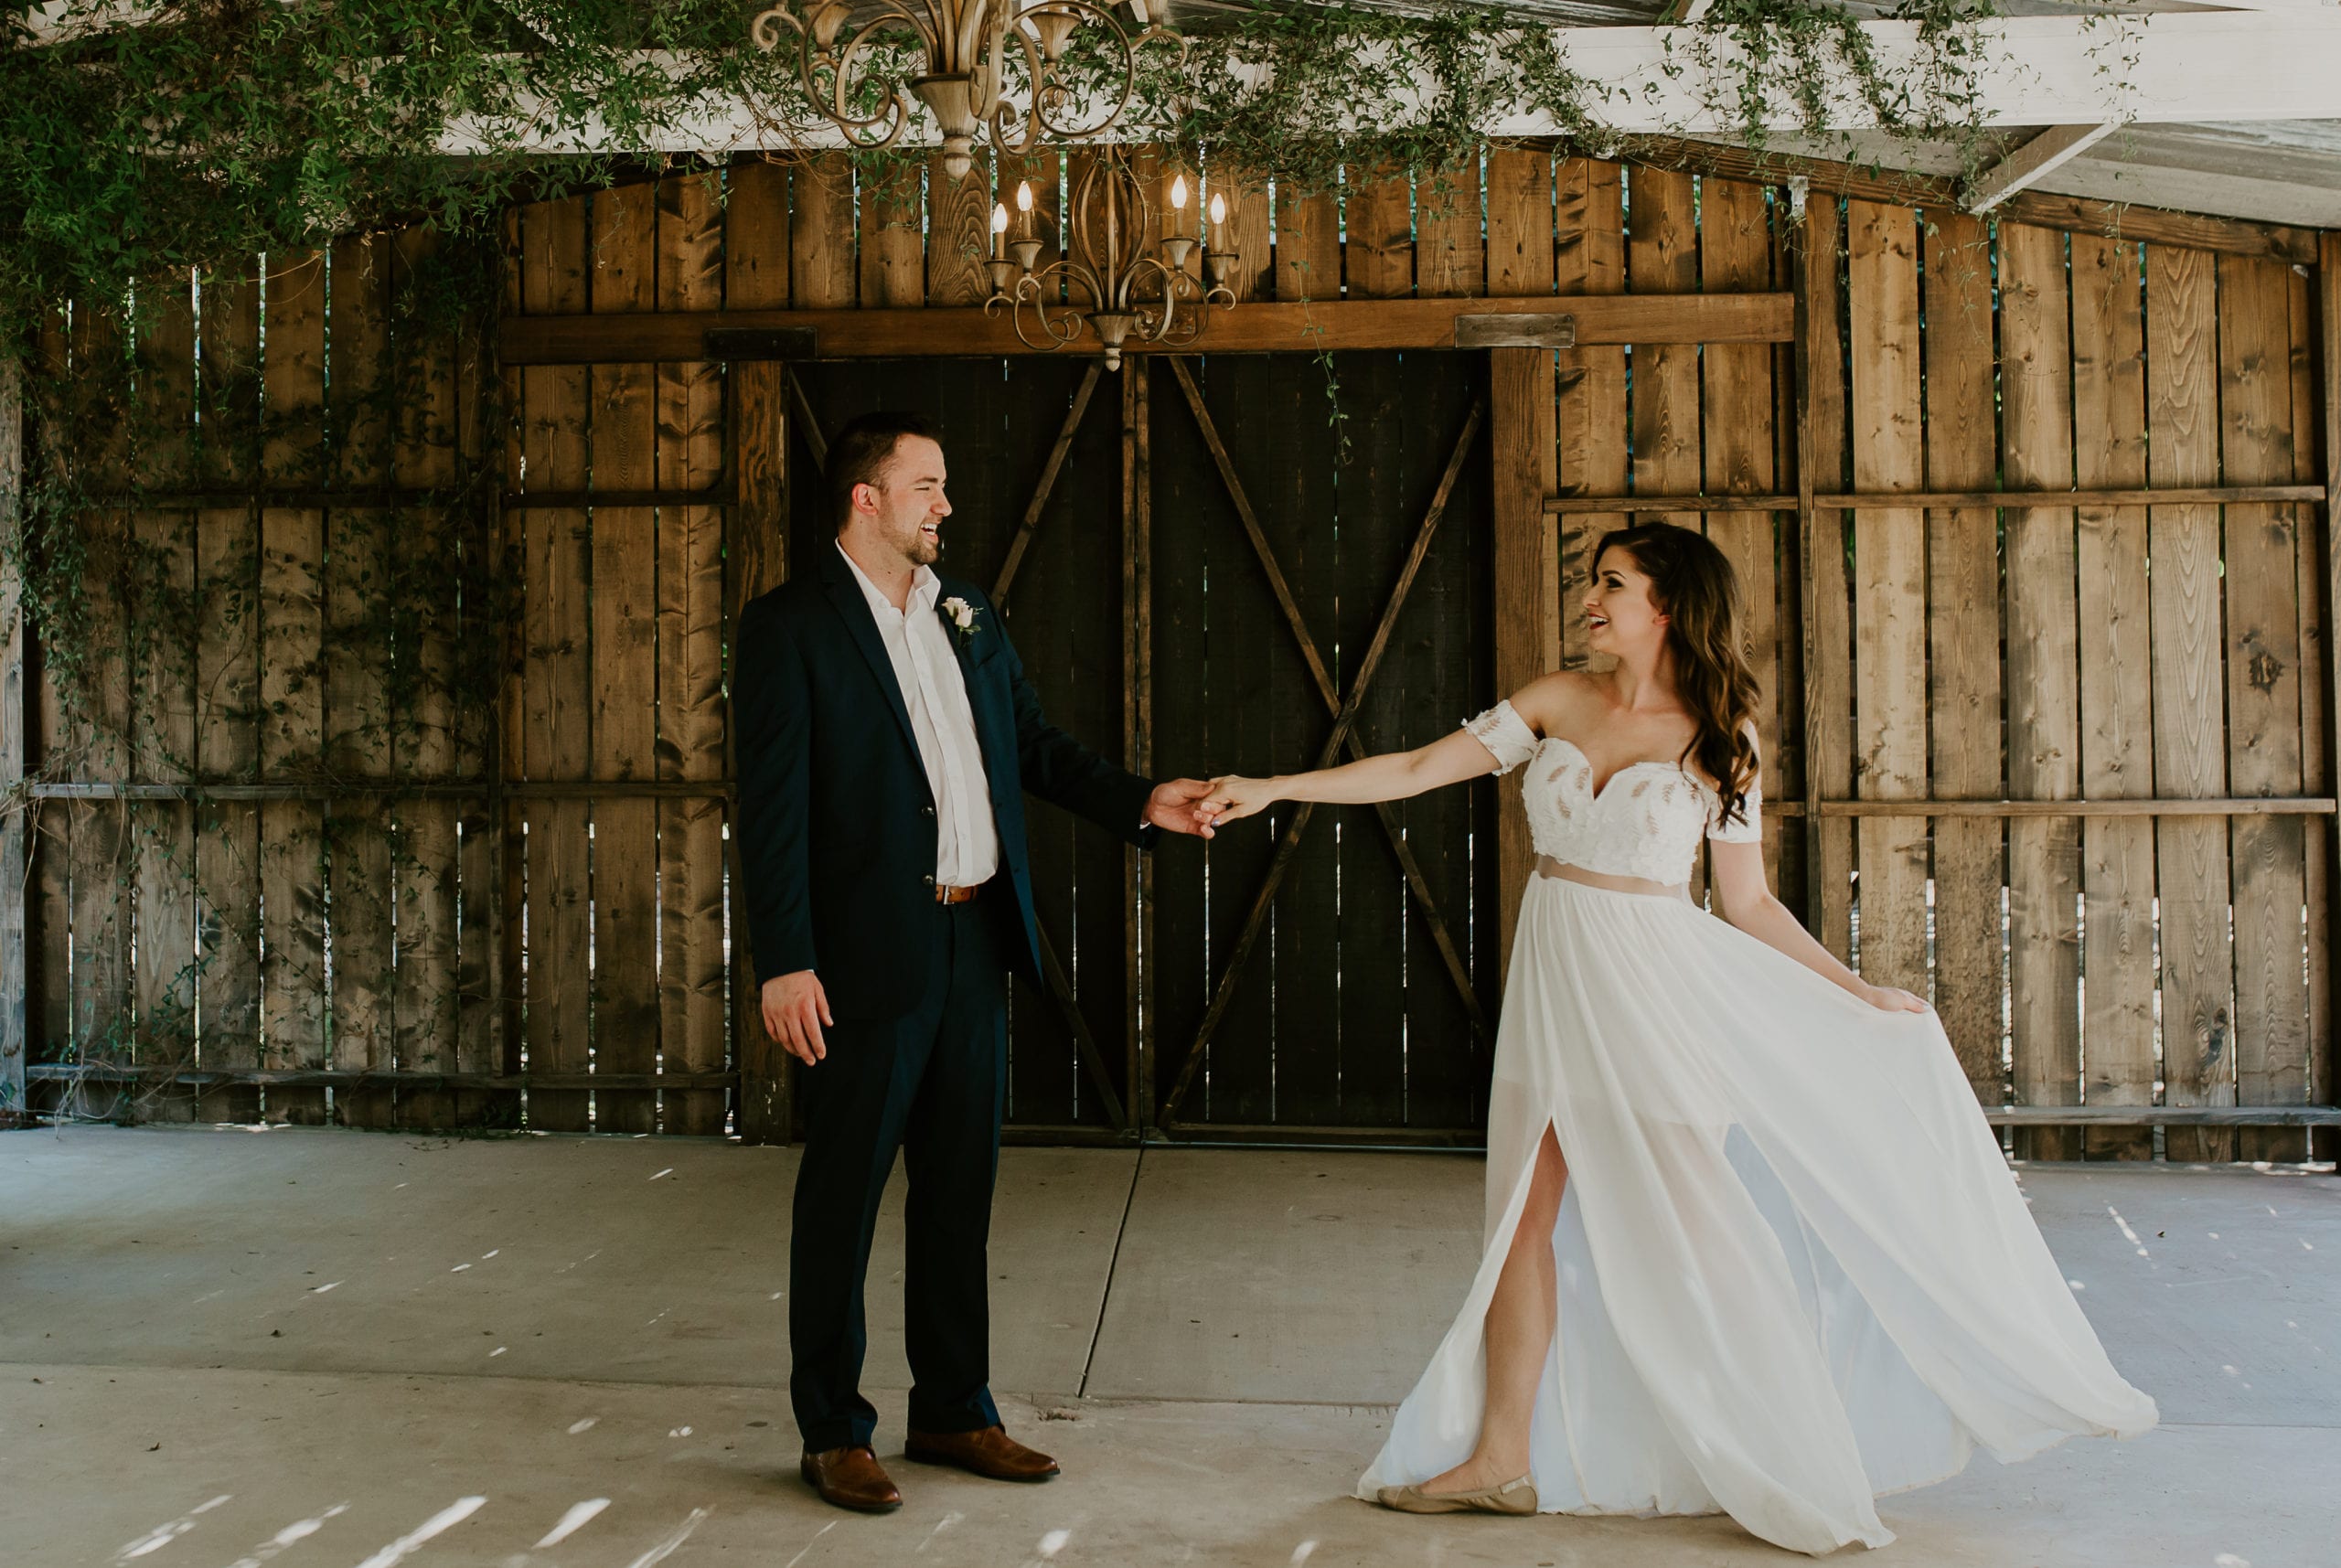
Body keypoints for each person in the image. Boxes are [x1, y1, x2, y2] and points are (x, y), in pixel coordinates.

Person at [1200, 521, 2156, 1555]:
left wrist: (1852, 990)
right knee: (1519, 1219)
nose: (1590, 598)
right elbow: (1421, 765)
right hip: (1555, 979)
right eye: (1593, 581)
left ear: (1666, 603)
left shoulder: (1723, 733)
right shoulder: (1556, 698)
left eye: (1611, 583)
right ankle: (1500, 1456)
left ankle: (1790, 1457)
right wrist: (1275, 789)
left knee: (1699, 1232)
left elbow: (1747, 901)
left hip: (1653, 994)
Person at [732, 411, 1218, 1515]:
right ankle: (832, 1428)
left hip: (974, 940)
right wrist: (786, 959)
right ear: (865, 496)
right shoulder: (790, 627)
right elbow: (772, 807)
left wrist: (1140, 799)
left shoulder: (967, 612)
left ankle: (953, 1407)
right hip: (860, 957)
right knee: (843, 1198)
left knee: (958, 1192)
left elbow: (1029, 746)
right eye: (926, 485)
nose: (945, 504)